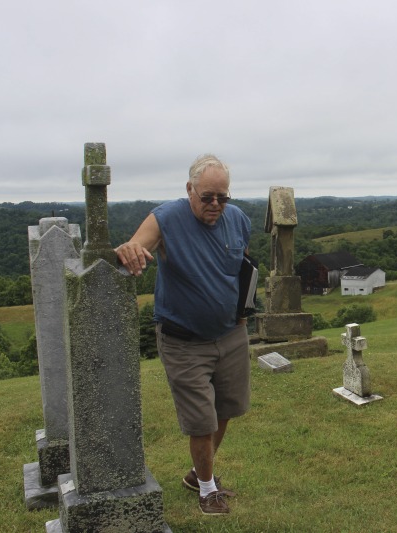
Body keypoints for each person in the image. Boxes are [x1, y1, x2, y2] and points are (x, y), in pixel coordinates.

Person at [116, 154, 251, 516]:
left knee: (226, 409)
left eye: (223, 197)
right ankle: (208, 490)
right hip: (184, 340)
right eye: (207, 197)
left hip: (230, 333)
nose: (215, 205)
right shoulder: (167, 217)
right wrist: (130, 250)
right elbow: (137, 245)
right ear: (189, 189)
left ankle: (197, 475)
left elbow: (243, 266)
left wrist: (243, 310)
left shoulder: (236, 218)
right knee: (201, 420)